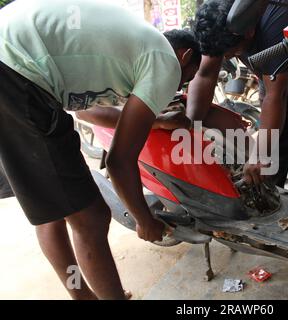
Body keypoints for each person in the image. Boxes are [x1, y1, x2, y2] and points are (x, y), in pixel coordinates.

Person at [0, 0, 200, 299]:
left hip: (13, 56)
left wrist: (154, 122)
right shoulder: (165, 62)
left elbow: (86, 112)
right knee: (91, 217)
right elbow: (120, 161)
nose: (180, 86)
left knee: (50, 212)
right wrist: (144, 221)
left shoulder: (134, 48)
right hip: (17, 70)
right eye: (188, 77)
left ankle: (83, 296)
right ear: (184, 58)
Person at [189, 0, 288, 200]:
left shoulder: (271, 25)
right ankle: (270, 201)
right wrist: (188, 125)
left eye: (233, 53)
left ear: (249, 32)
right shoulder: (221, 23)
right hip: (271, 74)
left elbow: (276, 95)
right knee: (274, 150)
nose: (231, 57)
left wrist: (260, 156)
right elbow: (204, 74)